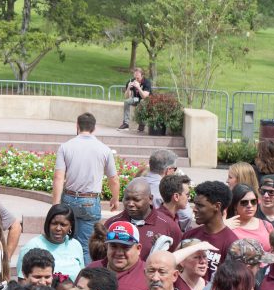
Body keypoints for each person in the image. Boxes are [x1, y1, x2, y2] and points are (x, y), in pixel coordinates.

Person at [52, 112, 120, 259]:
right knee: (86, 246)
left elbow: (58, 176)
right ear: (94, 128)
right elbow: (113, 178)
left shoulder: (65, 147)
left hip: (69, 198)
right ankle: (85, 279)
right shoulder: (104, 149)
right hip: (90, 201)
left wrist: (56, 203)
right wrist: (115, 198)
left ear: (77, 126)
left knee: (66, 241)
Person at [105, 177, 182, 259]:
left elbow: (176, 258)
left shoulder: (169, 226)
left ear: (150, 199)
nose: (130, 204)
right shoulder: (112, 224)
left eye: (136, 200)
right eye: (127, 199)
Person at [184, 181, 239, 282]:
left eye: (200, 205)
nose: (194, 209)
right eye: (195, 204)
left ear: (217, 206)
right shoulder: (189, 235)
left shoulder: (232, 243)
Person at [16, 204, 85, 281]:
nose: (58, 228)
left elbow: (82, 277)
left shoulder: (75, 245)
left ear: (70, 226)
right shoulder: (33, 245)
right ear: (48, 224)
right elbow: (22, 281)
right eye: (54, 223)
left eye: (63, 225)